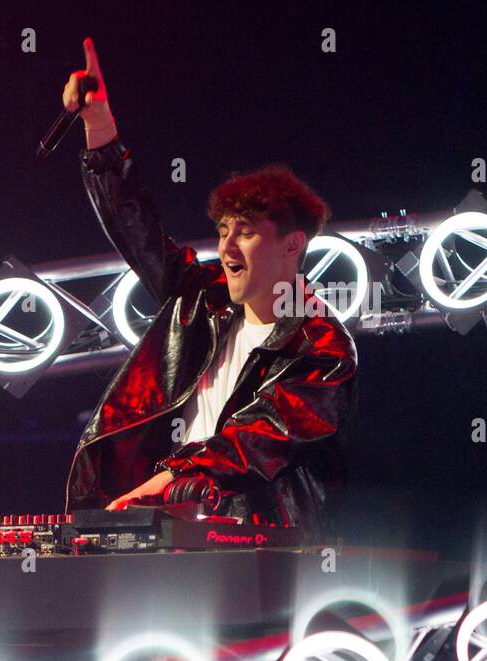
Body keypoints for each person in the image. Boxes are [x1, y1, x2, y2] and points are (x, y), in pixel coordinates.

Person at [61, 38, 358, 542]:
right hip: (167, 524)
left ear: (292, 245)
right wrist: (98, 127)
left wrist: (173, 476)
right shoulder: (201, 299)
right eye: (222, 230)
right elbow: (138, 231)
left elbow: (257, 440)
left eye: (244, 231)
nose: (226, 246)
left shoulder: (323, 346)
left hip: (257, 534)